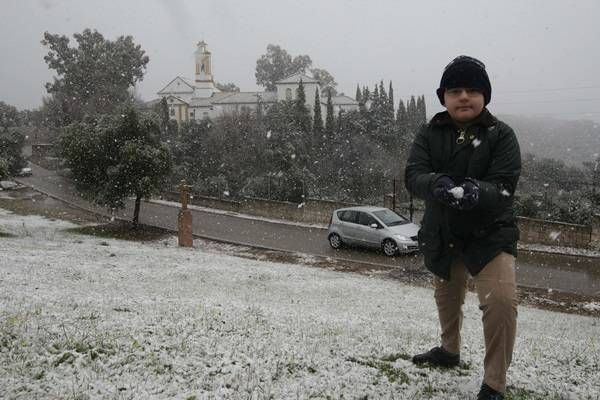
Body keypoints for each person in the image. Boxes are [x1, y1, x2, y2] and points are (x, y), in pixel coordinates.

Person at [404, 55, 521, 400]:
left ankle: (494, 383)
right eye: (455, 90)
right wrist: (437, 182)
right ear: (444, 97)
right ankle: (449, 351)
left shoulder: (502, 135)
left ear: (485, 96)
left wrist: (473, 192)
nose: (464, 96)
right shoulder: (429, 132)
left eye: (472, 89)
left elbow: (504, 187)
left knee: (500, 302)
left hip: (491, 234)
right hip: (442, 231)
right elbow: (413, 175)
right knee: (447, 296)